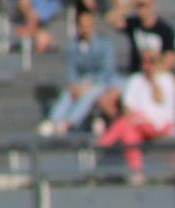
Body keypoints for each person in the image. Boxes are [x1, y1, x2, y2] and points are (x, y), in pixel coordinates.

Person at [97, 49, 175, 185]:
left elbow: (160, 101)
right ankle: (136, 172)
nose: (147, 65)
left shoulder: (166, 79)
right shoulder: (135, 80)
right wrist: (139, 117)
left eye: (151, 61)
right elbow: (128, 108)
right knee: (129, 134)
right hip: (138, 124)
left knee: (124, 123)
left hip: (160, 125)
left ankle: (102, 144)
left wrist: (154, 79)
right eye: (144, 61)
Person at [38, 8, 117, 137]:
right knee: (68, 93)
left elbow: (107, 71)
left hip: (102, 82)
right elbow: (72, 70)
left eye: (89, 25)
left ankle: (69, 122)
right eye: (83, 26)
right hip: (82, 82)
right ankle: (53, 120)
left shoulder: (104, 44)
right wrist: (75, 84)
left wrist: (88, 83)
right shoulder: (74, 45)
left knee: (90, 94)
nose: (86, 29)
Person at [99, 0, 175, 122]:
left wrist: (151, 72)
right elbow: (110, 19)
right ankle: (123, 126)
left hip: (155, 77)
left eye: (145, 6)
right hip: (135, 76)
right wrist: (131, 4)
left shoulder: (165, 30)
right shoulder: (134, 24)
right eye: (139, 7)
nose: (142, 10)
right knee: (105, 100)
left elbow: (170, 60)